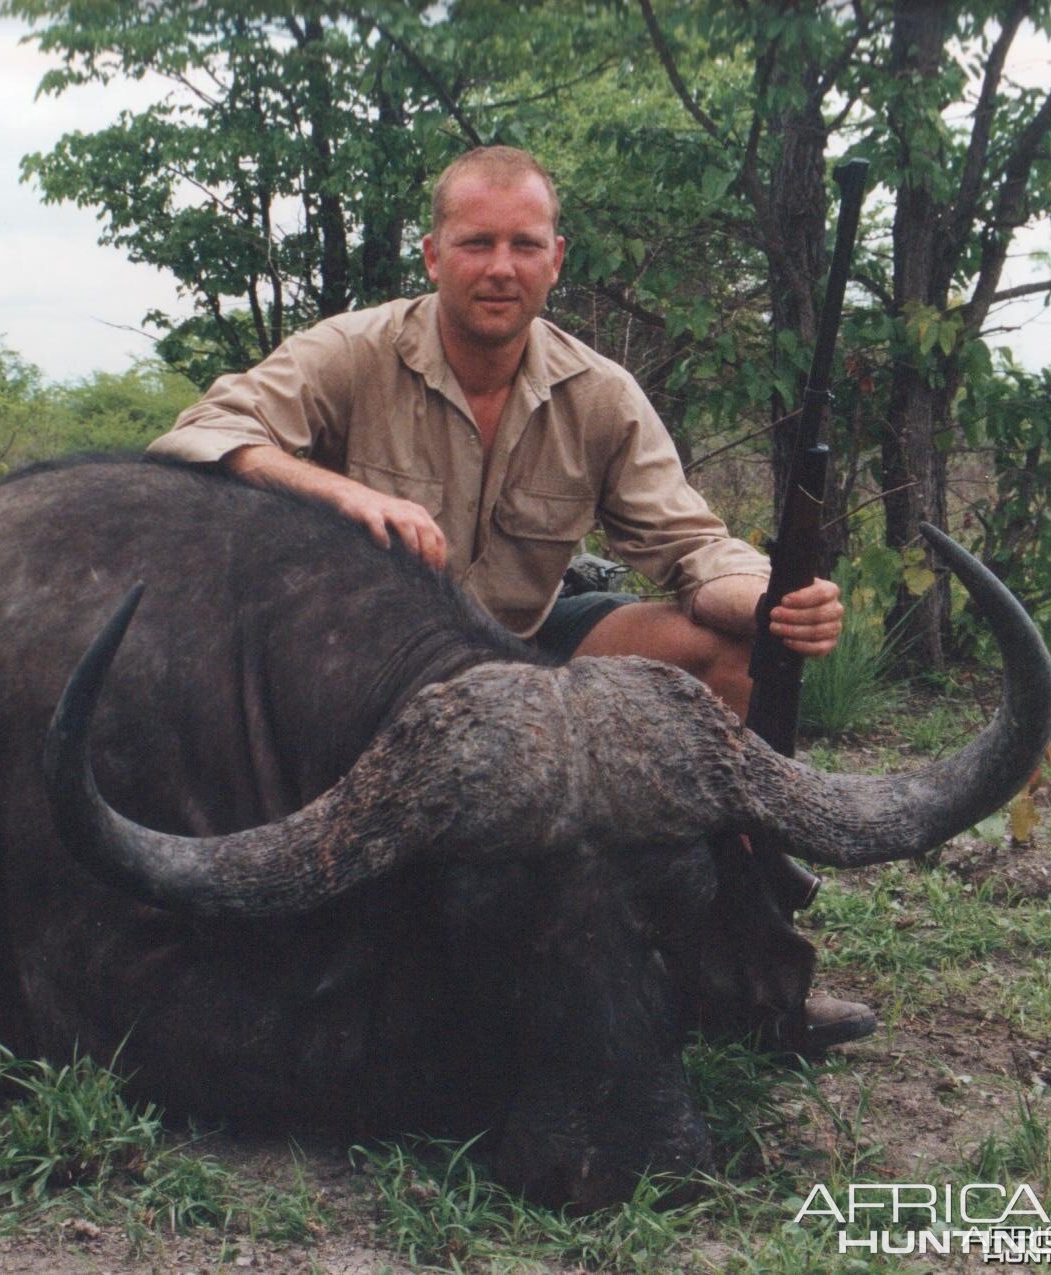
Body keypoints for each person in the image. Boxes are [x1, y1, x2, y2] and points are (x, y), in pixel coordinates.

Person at [147, 144, 873, 1049]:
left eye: (524, 245)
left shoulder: (599, 392)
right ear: (432, 256)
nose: (501, 267)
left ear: (556, 259)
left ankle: (743, 967)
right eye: (477, 242)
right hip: (373, 684)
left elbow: (691, 545)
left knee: (736, 653)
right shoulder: (350, 351)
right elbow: (196, 436)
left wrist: (772, 602)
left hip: (530, 659)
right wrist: (349, 494)